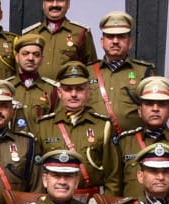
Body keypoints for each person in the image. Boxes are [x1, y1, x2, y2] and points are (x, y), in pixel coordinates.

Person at [104, 77, 169, 200]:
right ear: (139, 111)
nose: (155, 109)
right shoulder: (124, 142)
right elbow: (114, 185)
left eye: (161, 104)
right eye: (149, 103)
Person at [32, 62, 111, 194]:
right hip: (53, 199)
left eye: (79, 89)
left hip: (91, 201)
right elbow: (37, 174)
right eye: (68, 89)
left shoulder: (102, 125)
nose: (74, 94)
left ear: (88, 91)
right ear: (59, 92)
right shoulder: (43, 126)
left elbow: (112, 176)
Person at [86, 11, 154, 135]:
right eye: (110, 37)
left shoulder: (144, 72)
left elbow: (153, 110)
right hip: (95, 142)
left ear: (130, 43)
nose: (115, 41)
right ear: (102, 42)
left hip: (131, 144)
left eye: (121, 36)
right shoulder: (88, 72)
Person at [22, 0, 97, 79]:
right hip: (36, 94)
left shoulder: (81, 33)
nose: (55, 4)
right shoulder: (29, 34)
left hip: (68, 93)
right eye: (49, 0)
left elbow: (92, 71)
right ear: (43, 4)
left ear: (68, 3)